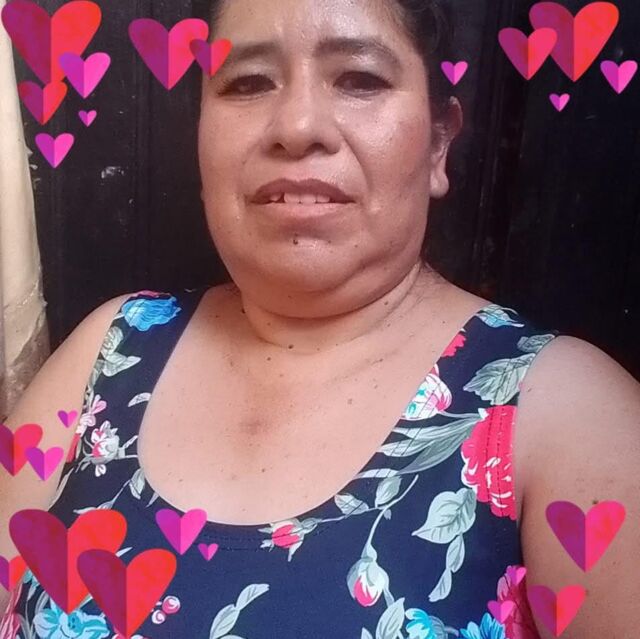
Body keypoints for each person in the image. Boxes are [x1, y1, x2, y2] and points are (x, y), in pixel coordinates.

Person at [1, 0, 639, 637]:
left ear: (439, 143)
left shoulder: (565, 412)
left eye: (360, 79)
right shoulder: (114, 350)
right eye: (248, 82)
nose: (298, 126)